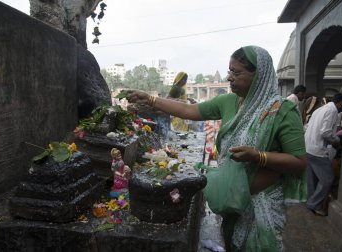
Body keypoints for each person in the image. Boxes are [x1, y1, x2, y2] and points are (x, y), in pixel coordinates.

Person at [127, 46, 306, 251]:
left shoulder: (282, 111)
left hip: (263, 202)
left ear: (259, 75)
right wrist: (150, 99)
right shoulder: (228, 101)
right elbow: (188, 109)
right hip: (232, 202)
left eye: (236, 73)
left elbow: (300, 163)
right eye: (229, 72)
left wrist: (259, 156)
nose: (230, 78)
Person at [304, 93, 342, 216]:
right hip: (317, 150)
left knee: (312, 179)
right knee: (328, 179)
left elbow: (307, 127)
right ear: (340, 103)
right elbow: (325, 132)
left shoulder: (320, 109)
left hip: (308, 147)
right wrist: (336, 141)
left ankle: (310, 201)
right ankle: (314, 204)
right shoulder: (332, 110)